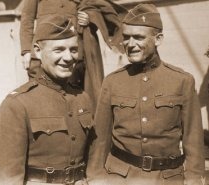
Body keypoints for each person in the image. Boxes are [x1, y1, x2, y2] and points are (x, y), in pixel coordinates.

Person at [87, 3, 205, 185]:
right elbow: (100, 139)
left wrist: (194, 178)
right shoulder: (112, 81)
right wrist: (96, 177)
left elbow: (193, 140)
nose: (130, 44)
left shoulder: (182, 81)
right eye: (126, 37)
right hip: (120, 178)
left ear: (158, 39)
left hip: (168, 178)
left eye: (138, 38)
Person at [0, 15, 93, 185]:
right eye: (59, 50)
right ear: (37, 50)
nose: (68, 57)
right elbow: (2, 177)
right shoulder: (17, 105)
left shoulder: (82, 98)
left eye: (73, 49)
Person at [20, 0, 89, 86]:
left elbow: (89, 9)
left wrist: (87, 19)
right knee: (39, 92)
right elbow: (27, 18)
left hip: (70, 56)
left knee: (71, 92)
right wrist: (26, 51)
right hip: (42, 54)